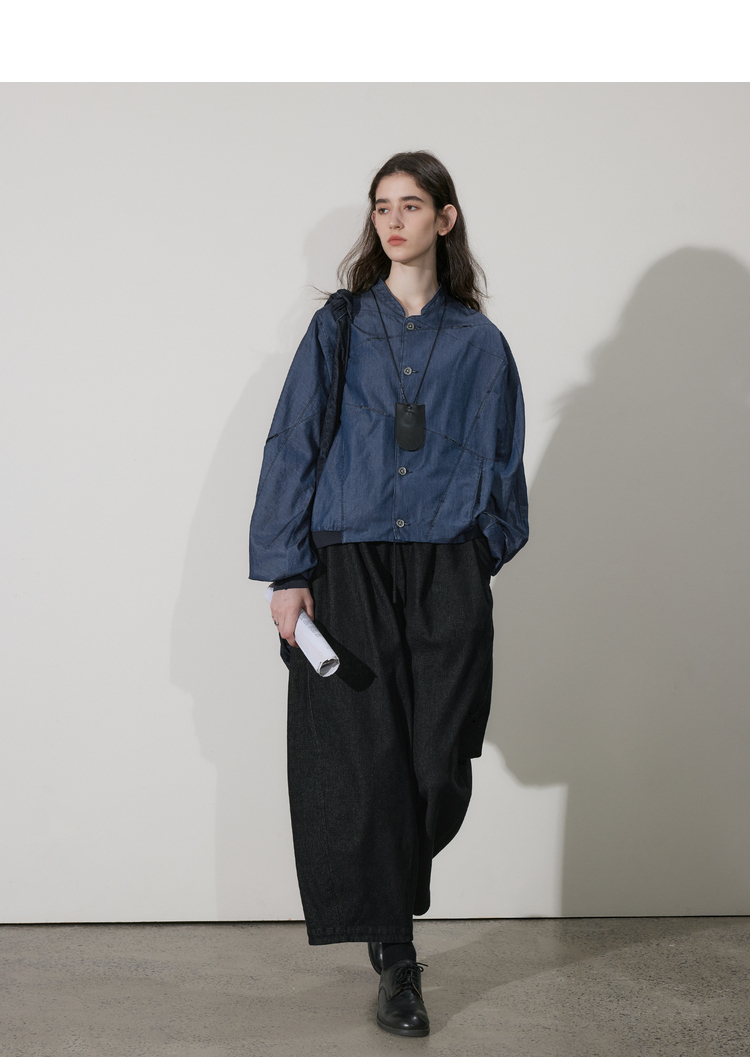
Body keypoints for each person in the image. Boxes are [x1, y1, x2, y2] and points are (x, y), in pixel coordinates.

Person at [248, 150, 528, 1037]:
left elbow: (505, 461)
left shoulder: (480, 343)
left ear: (445, 218)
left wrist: (477, 553)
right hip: (351, 563)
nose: (394, 220)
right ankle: (397, 955)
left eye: (411, 205)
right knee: (363, 761)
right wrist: (288, 571)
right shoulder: (340, 326)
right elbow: (294, 440)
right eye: (381, 206)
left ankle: (390, 900)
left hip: (447, 564)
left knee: (438, 762)